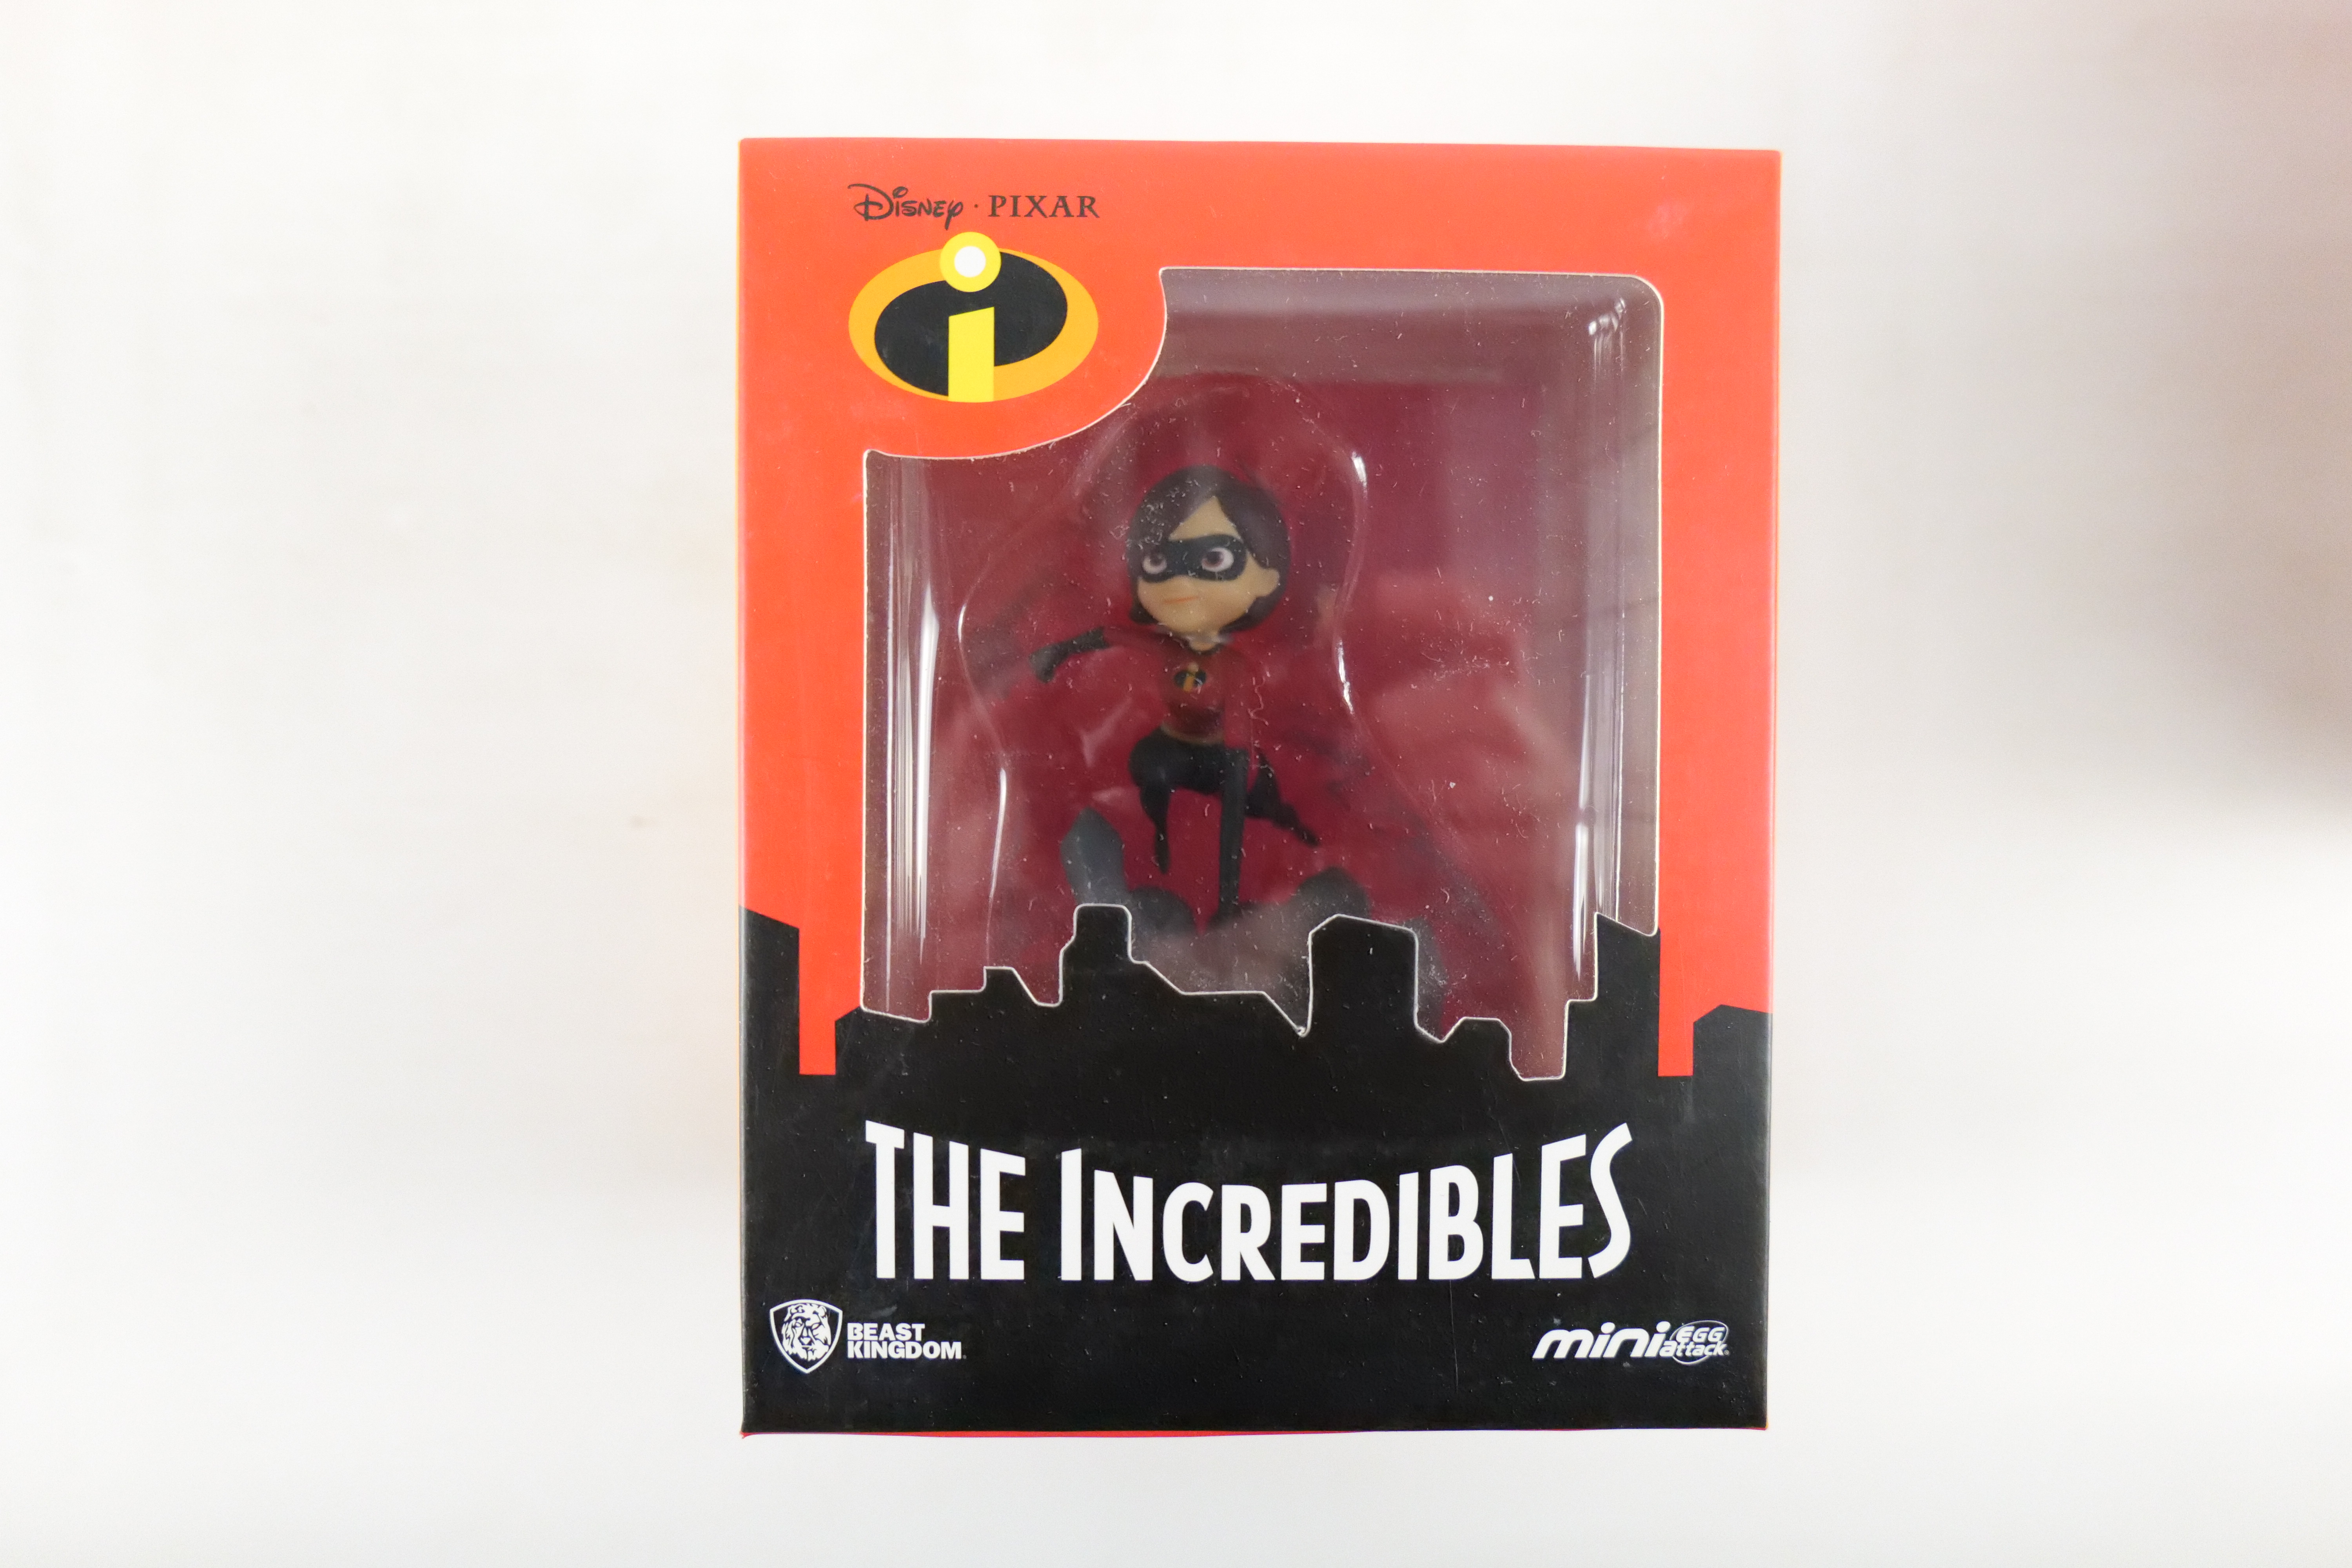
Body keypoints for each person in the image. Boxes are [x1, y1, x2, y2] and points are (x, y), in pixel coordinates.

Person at [1032, 465, 1318, 920]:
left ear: (1266, 578)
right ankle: (1160, 843)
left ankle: (1283, 833)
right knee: (1149, 767)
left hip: (1224, 754)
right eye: (1160, 563)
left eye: (1215, 559)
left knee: (1256, 799)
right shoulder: (1166, 646)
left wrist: (1228, 896)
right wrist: (1059, 651)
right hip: (1173, 746)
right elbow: (1111, 636)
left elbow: (1240, 733)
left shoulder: (1233, 667)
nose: (1180, 584)